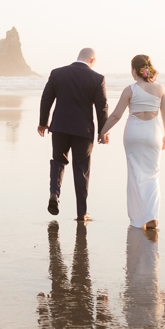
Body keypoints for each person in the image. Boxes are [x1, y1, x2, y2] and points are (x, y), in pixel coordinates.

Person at [100, 55, 165, 237]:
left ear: (134, 70)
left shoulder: (130, 90)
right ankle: (151, 216)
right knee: (153, 175)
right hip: (153, 134)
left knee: (135, 175)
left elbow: (116, 115)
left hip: (133, 133)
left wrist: (103, 131)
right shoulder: (160, 89)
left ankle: (137, 219)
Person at [38, 47, 110, 222]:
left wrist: (43, 123)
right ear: (92, 60)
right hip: (83, 131)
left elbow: (46, 98)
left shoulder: (57, 73)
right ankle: (81, 213)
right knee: (81, 169)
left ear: (78, 57)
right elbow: (102, 107)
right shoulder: (97, 78)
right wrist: (103, 131)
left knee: (58, 160)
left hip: (60, 127)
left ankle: (54, 194)